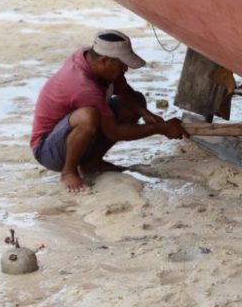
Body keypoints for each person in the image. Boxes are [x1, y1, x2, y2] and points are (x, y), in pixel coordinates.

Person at [30, 30, 187, 192]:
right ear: (104, 61)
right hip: (48, 150)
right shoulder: (83, 86)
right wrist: (160, 128)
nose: (125, 69)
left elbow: (124, 90)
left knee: (136, 100)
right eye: (121, 65)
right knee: (87, 116)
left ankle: (92, 163)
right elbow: (114, 132)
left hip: (71, 135)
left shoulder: (90, 57)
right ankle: (68, 171)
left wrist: (146, 114)